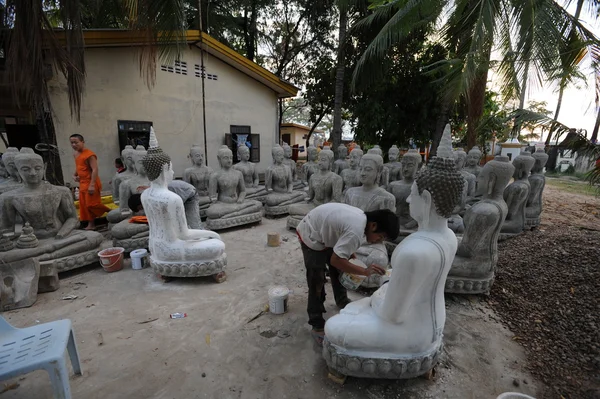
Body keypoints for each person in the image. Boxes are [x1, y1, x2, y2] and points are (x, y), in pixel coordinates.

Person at [296, 202, 399, 345]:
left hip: (326, 234)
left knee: (342, 268)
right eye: (380, 237)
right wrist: (364, 271)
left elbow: (343, 245)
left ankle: (342, 301)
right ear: (373, 226)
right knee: (317, 279)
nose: (378, 241)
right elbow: (336, 260)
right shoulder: (356, 230)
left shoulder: (363, 222)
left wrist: (350, 255)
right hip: (311, 233)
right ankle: (316, 324)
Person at [70, 134, 110, 230]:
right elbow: (79, 167)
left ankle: (111, 212)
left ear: (83, 142)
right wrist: (74, 175)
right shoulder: (75, 154)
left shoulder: (89, 155)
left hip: (91, 182)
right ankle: (91, 225)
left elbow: (95, 169)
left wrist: (92, 185)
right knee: (85, 206)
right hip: (83, 183)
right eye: (72, 143)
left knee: (92, 204)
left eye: (76, 142)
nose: (74, 145)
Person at [127, 180, 203, 229]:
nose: (142, 209)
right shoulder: (147, 195)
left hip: (189, 194)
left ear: (139, 203)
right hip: (178, 196)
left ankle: (204, 240)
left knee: (193, 223)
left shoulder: (151, 196)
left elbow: (166, 208)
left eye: (140, 208)